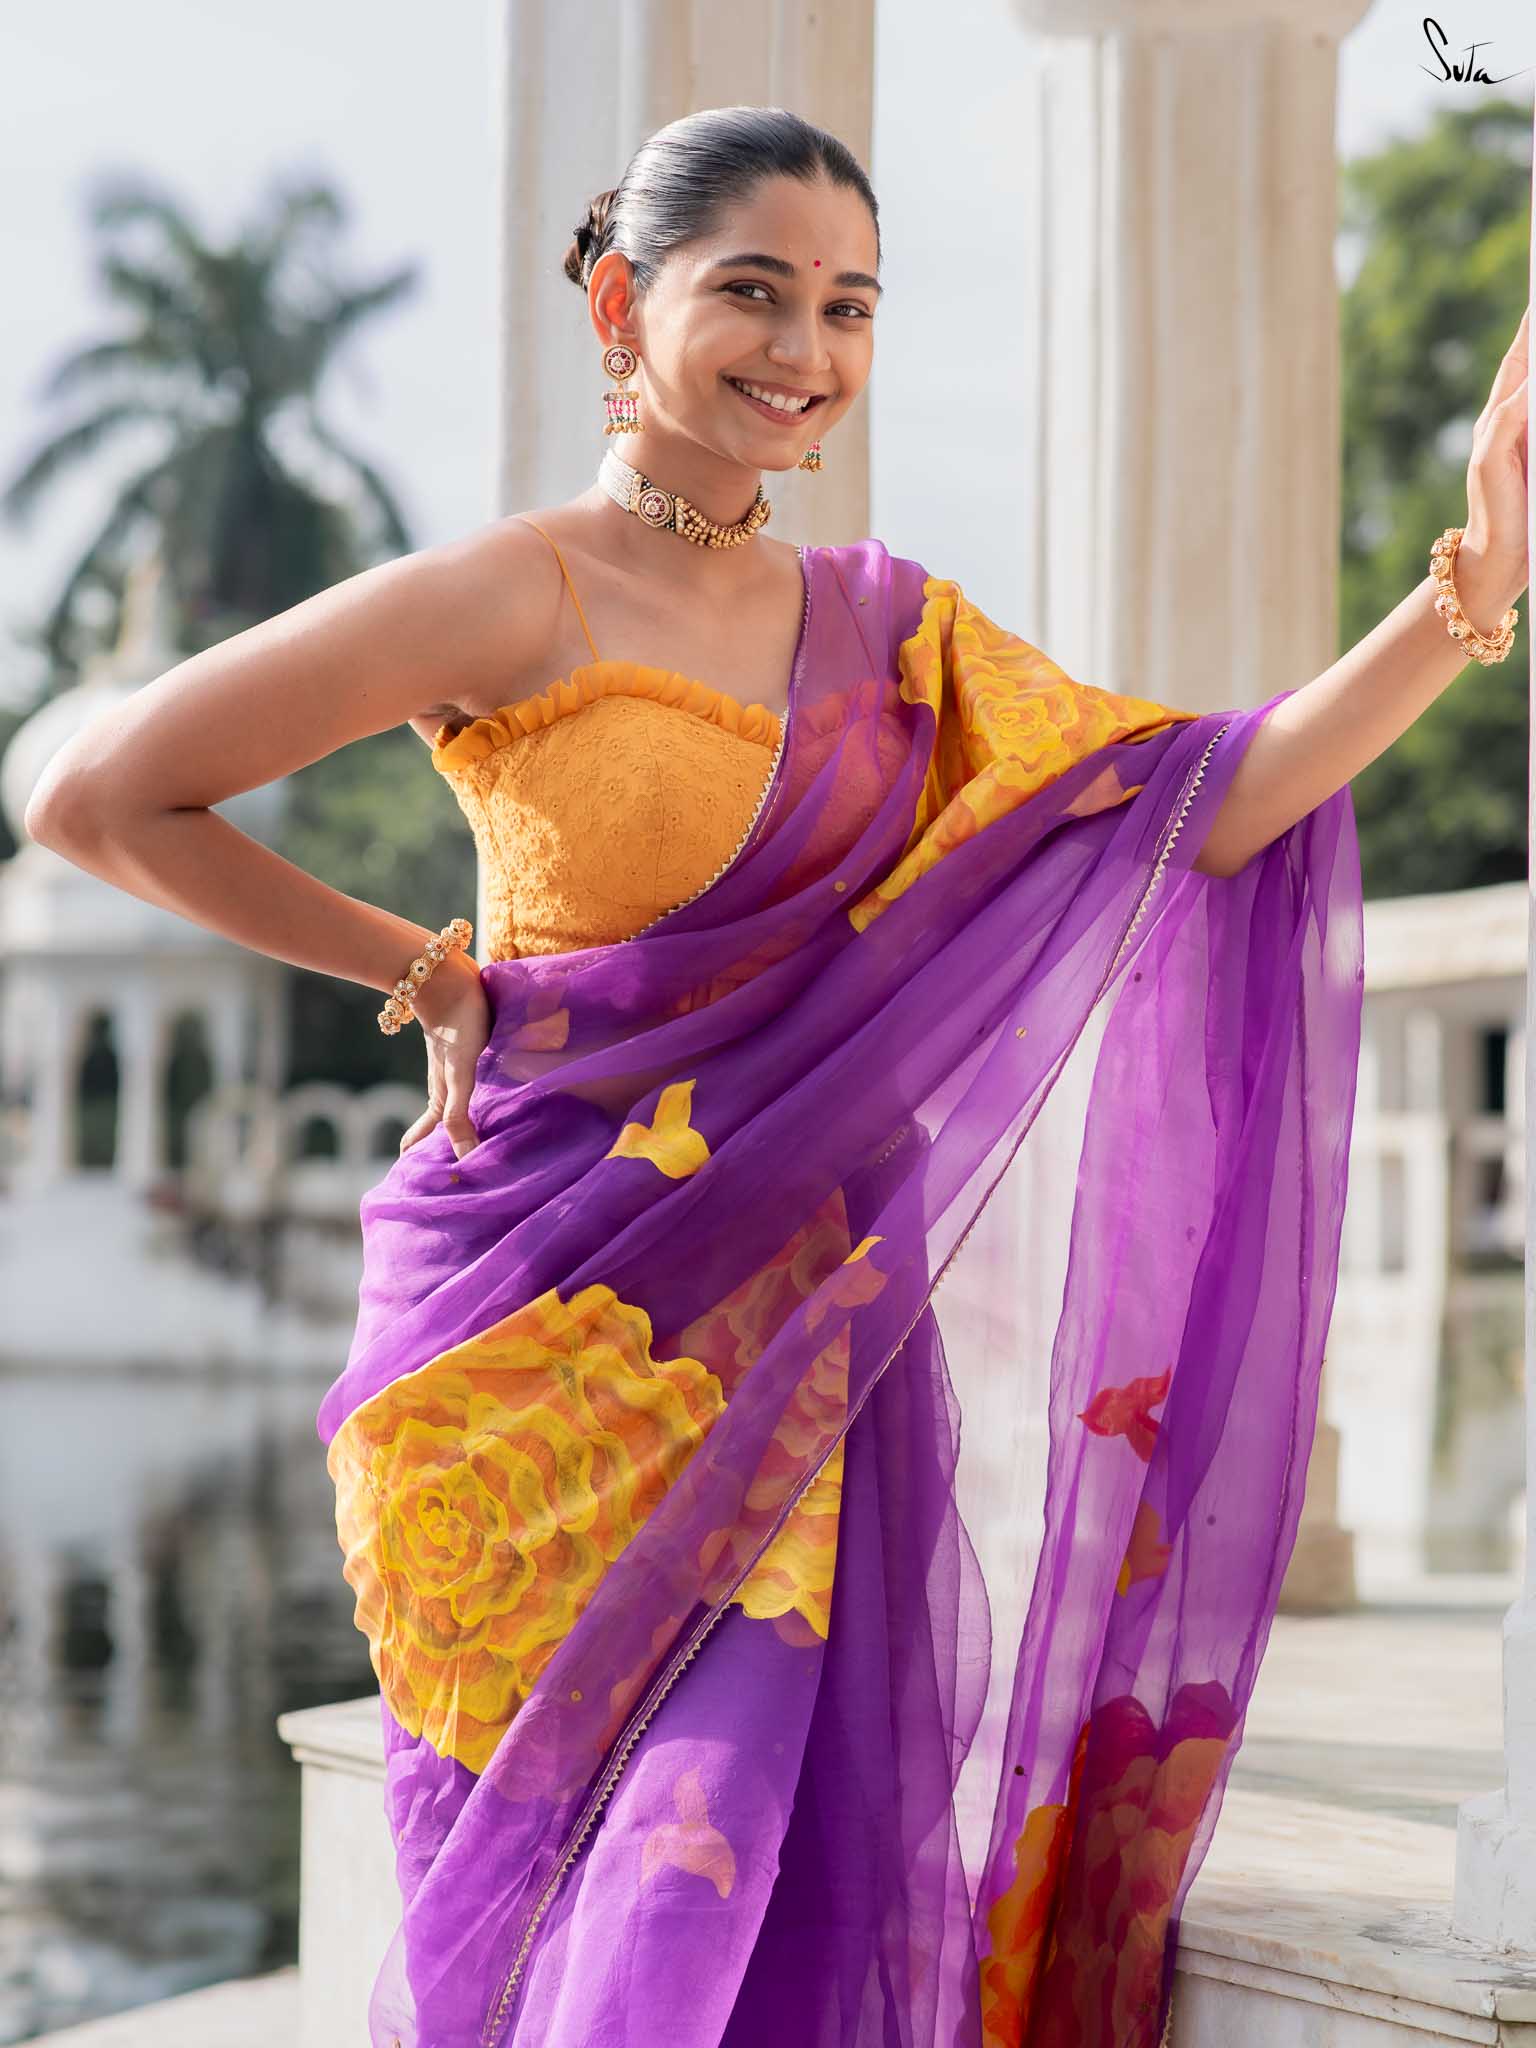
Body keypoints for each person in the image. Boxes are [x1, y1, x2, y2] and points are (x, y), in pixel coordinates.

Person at [25, 103, 1528, 2048]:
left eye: (848, 303)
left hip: (807, 1360)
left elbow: (1209, 807)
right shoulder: (516, 593)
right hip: (526, 1373)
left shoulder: (898, 643)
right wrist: (416, 961)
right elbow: (97, 790)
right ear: (614, 301)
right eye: (751, 290)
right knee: (581, 1930)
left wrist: (1466, 587)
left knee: (743, 1894)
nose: (801, 348)